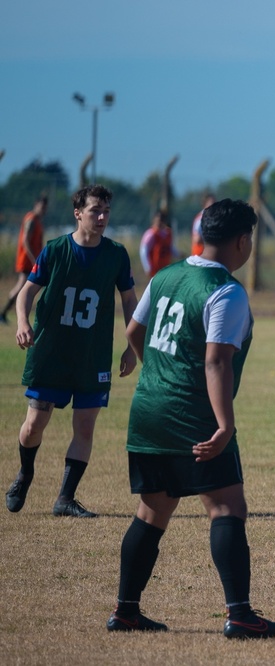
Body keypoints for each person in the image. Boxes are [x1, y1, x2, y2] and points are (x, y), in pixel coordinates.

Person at [107, 198, 275, 639]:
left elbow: (134, 330)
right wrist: (224, 425)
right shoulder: (226, 291)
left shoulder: (166, 274)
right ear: (243, 242)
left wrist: (147, 367)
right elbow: (216, 363)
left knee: (152, 511)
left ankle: (126, 611)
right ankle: (240, 614)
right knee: (227, 507)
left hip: (148, 412)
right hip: (194, 416)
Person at [5, 185, 137, 518]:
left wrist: (131, 346)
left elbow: (130, 302)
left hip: (92, 356)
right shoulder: (54, 251)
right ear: (78, 213)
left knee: (86, 426)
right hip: (51, 353)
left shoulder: (117, 255)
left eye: (107, 210)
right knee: (35, 424)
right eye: (95, 210)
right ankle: (25, 473)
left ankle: (65, 498)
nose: (103, 217)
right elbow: (26, 293)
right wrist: (22, 322)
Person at [1, 195, 47, 324]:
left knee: (23, 286)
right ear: (36, 205)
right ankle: (3, 313)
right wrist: (34, 259)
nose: (43, 210)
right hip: (26, 261)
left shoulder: (38, 221)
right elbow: (25, 241)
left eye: (45, 208)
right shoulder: (31, 219)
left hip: (33, 260)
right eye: (42, 207)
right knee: (22, 286)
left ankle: (4, 313)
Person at [139, 210, 179, 279]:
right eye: (157, 220)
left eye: (161, 220)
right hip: (155, 269)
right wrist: (147, 267)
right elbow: (143, 251)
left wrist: (178, 254)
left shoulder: (167, 233)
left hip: (165, 267)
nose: (159, 223)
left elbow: (170, 248)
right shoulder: (151, 234)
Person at [191, 193, 215, 257]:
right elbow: (197, 239)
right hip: (199, 254)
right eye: (211, 203)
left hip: (207, 255)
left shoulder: (212, 218)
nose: (214, 205)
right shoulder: (200, 218)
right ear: (205, 204)